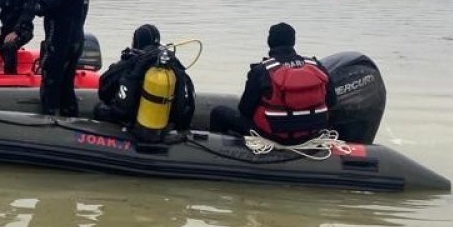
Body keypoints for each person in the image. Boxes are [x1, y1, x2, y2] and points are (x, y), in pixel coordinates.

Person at [210, 23, 338, 145]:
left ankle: (218, 154)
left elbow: (245, 109)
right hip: (312, 134)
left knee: (218, 113)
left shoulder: (261, 70)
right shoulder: (316, 65)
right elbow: (332, 100)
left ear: (269, 42)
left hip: (272, 136)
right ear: (293, 42)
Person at [93, 24, 195, 136]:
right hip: (168, 124)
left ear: (137, 42)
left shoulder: (133, 60)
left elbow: (103, 90)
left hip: (130, 121)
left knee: (99, 109)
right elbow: (189, 98)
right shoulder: (172, 63)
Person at [36, 0, 92, 117]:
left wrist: (26, 3)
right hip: (76, 38)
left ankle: (50, 120)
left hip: (59, 40)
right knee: (67, 83)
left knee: (51, 83)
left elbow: (42, 7)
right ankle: (71, 117)